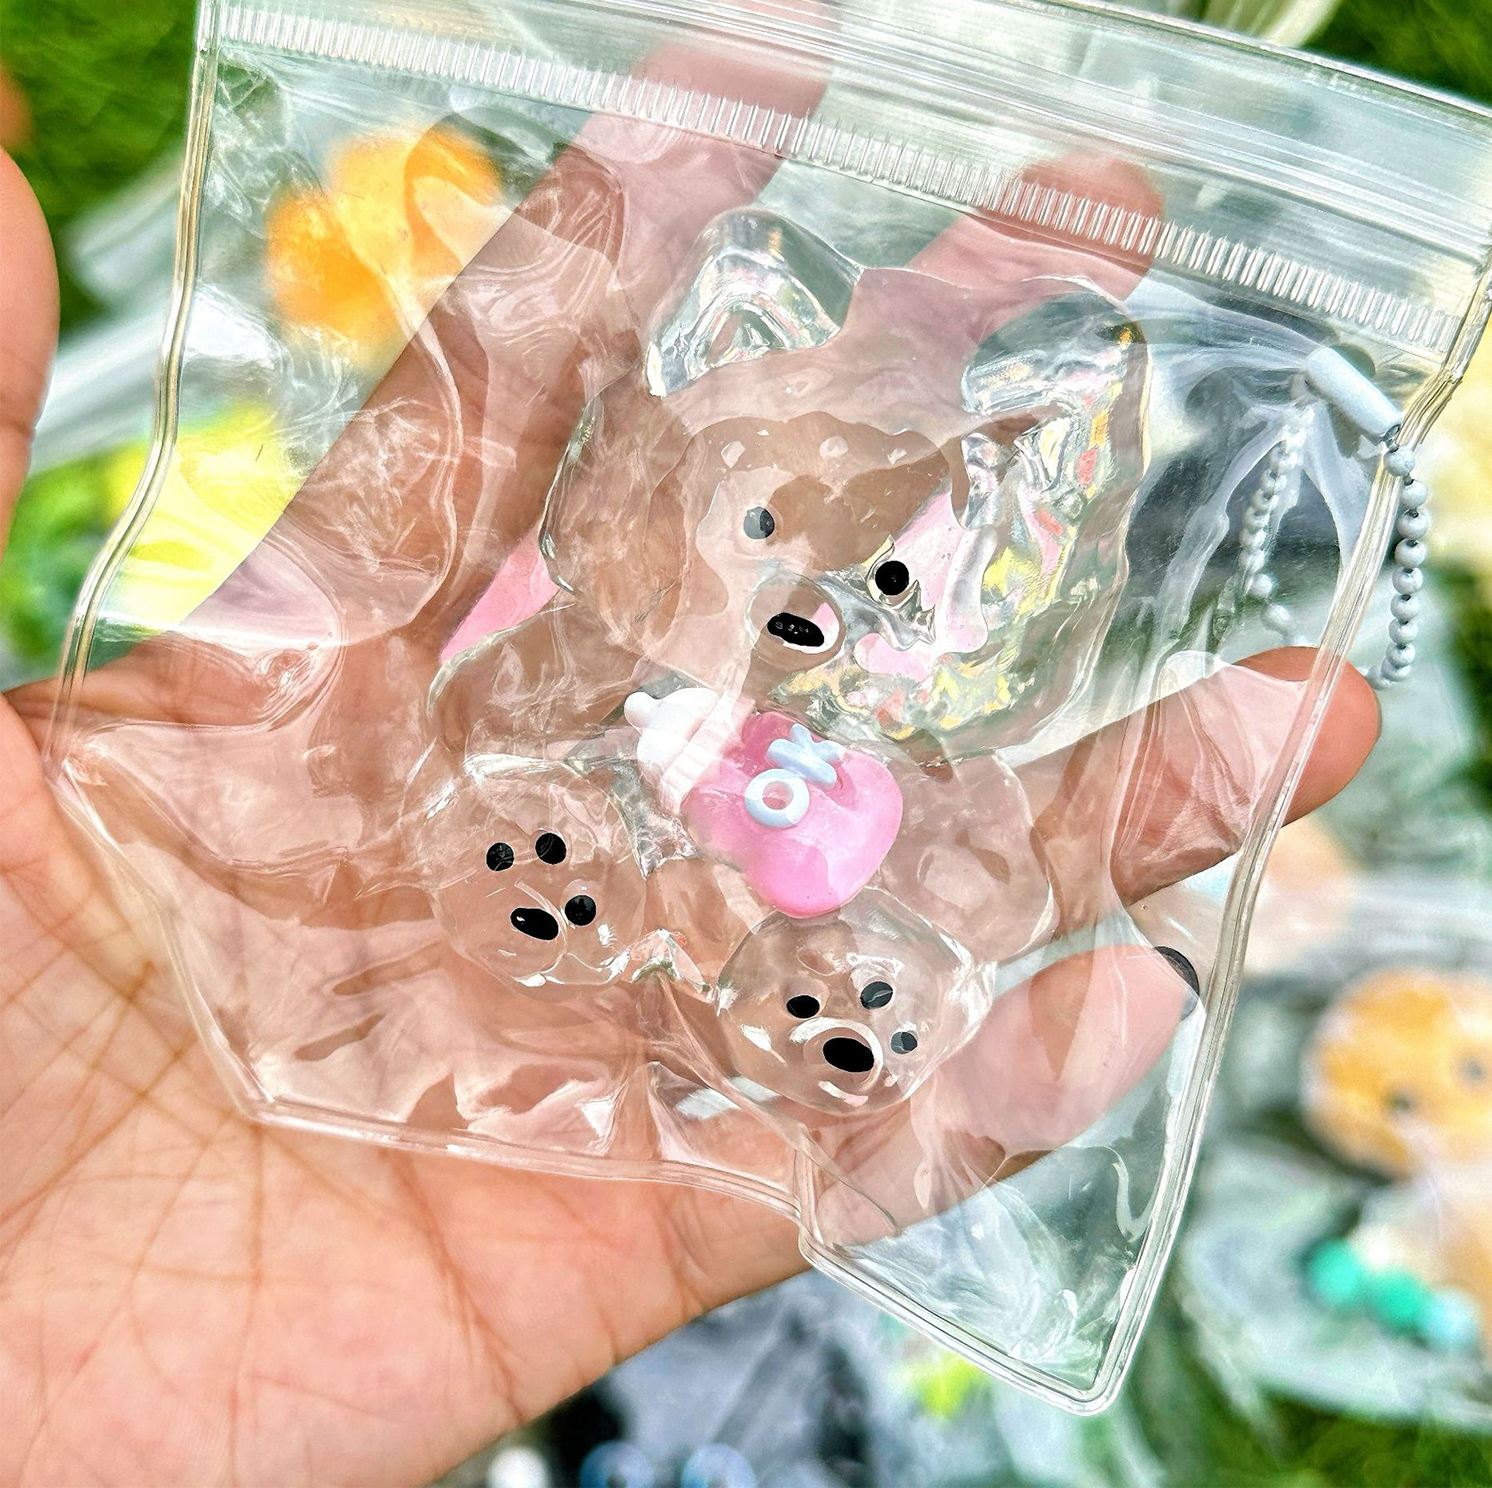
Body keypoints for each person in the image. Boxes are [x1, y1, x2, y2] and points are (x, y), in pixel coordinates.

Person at [0, 131, 1377, 1487]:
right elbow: (515, 702)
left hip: (762, 871)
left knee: (761, 913)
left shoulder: (866, 741)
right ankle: (584, 883)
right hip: (581, 816)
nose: (809, 606)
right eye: (769, 534)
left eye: (885, 581)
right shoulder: (614, 637)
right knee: (567, 804)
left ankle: (813, 989)